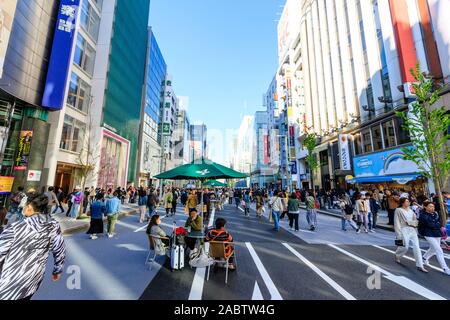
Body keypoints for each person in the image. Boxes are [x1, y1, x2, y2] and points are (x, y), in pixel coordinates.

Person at [0, 193, 66, 300]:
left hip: (10, 283)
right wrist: (57, 270)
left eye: (25, 205)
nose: (23, 207)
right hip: (34, 279)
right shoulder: (53, 225)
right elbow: (59, 249)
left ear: (30, 207)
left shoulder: (16, 228)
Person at [394, 197, 428, 272]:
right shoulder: (398, 210)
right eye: (406, 201)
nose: (408, 202)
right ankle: (397, 255)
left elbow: (416, 221)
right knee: (405, 247)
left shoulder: (411, 210)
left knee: (417, 247)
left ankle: (420, 265)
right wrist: (398, 233)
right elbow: (396, 222)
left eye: (408, 201)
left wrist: (410, 223)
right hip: (403, 229)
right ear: (402, 203)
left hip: (412, 230)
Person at [418, 201, 450, 275]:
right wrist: (437, 225)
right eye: (430, 206)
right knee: (439, 250)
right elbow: (430, 224)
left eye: (433, 206)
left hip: (436, 233)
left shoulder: (435, 213)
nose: (432, 208)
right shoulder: (422, 215)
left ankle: (424, 258)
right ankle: (445, 268)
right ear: (425, 207)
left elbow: (439, 222)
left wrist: (437, 224)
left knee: (433, 249)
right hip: (428, 233)